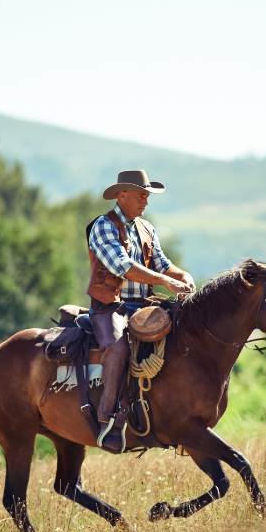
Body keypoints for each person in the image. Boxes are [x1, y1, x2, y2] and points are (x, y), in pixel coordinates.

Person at [86, 169, 195, 453]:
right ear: (122, 195)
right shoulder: (103, 226)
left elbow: (162, 263)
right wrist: (165, 282)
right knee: (118, 346)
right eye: (141, 196)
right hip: (110, 306)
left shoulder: (146, 229)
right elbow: (122, 266)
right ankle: (108, 420)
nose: (146, 201)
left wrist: (182, 275)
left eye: (148, 196)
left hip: (143, 306)